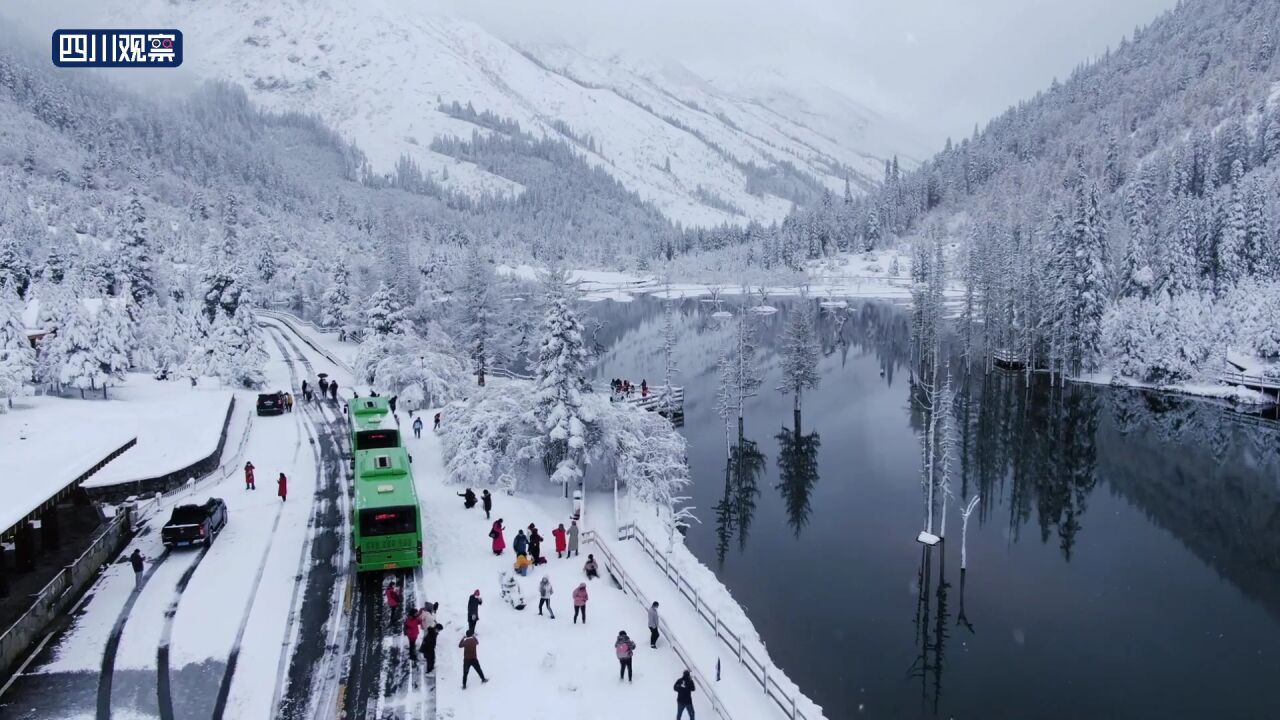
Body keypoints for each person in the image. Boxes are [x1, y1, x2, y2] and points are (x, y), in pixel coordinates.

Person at [421, 602, 441, 673]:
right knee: (427, 643)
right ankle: (426, 657)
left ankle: (425, 653)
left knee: (426, 641)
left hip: (427, 629)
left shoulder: (425, 613)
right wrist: (435, 611)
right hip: (428, 629)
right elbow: (433, 621)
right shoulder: (428, 616)